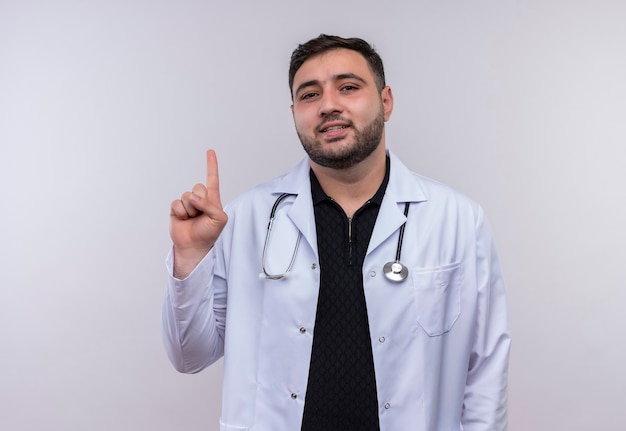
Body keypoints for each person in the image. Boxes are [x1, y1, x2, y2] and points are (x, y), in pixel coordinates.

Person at [163, 34, 510, 431]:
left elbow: (486, 369)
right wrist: (190, 257)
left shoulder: (458, 220)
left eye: (348, 87)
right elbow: (189, 357)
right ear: (295, 112)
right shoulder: (247, 218)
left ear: (386, 101)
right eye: (310, 95)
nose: (329, 105)